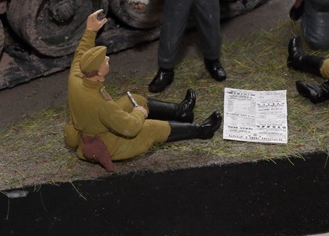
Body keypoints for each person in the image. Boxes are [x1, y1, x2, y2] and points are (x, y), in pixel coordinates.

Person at [63, 10, 222, 170]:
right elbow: (130, 128)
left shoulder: (76, 79)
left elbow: (80, 56)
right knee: (151, 128)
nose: (108, 59)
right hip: (108, 143)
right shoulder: (102, 105)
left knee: (135, 100)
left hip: (92, 125)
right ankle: (201, 130)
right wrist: (139, 113)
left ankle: (181, 112)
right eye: (104, 61)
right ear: (98, 73)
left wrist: (90, 31)